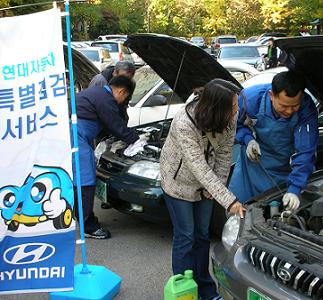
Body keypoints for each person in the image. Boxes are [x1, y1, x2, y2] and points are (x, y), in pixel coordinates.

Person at [160, 79, 246, 300]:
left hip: (207, 184)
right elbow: (197, 165)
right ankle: (183, 291)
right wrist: (229, 200)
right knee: (186, 236)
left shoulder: (229, 116)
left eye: (236, 105)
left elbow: (225, 154)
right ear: (216, 107)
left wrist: (215, 187)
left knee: (202, 235)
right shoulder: (184, 122)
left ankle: (206, 290)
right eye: (233, 106)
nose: (236, 110)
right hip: (178, 183)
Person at [229, 70, 318, 211]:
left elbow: (306, 150)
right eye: (284, 106)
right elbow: (234, 126)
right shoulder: (250, 100)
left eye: (295, 106)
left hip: (284, 170)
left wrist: (295, 188)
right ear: (271, 95)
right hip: (251, 166)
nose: (289, 111)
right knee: (237, 211)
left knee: (274, 212)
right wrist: (248, 140)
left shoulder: (306, 109)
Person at [73, 76, 144, 239]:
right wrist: (135, 139)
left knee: (78, 178)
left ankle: (81, 217)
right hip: (75, 136)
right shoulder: (106, 99)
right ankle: (88, 226)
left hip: (75, 135)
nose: (122, 101)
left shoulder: (96, 93)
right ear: (121, 91)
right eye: (125, 97)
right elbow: (115, 125)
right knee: (85, 178)